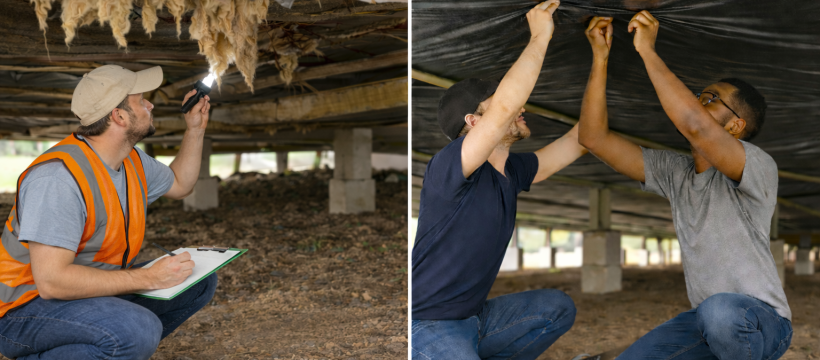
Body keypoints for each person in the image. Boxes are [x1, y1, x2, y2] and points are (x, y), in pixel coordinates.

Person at [577, 13, 792, 360]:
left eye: (709, 99)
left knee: (720, 311)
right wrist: (600, 58)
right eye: (698, 96)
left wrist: (647, 50)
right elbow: (592, 137)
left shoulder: (757, 165)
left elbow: (696, 126)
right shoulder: (675, 172)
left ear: (736, 125)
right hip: (705, 323)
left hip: (762, 323)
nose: (695, 103)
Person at [0, 65, 217, 360]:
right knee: (135, 329)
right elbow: (52, 283)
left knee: (197, 279)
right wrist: (150, 279)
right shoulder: (57, 179)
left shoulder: (130, 161)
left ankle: (107, 348)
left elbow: (180, 184)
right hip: (22, 309)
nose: (150, 105)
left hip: (90, 290)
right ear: (119, 116)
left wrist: (195, 129)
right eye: (142, 100)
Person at [411, 1, 588, 358]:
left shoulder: (512, 172)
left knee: (556, 308)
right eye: (501, 103)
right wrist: (540, 35)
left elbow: (579, 140)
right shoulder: (450, 167)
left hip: (475, 319)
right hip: (427, 324)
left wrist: (602, 61)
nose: (521, 106)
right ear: (474, 123)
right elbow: (508, 105)